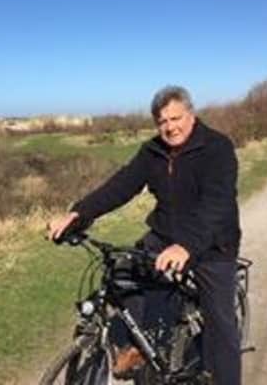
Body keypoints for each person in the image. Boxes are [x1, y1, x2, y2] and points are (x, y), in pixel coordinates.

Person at [48, 86, 241, 385]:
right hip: (165, 235)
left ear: (191, 115)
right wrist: (78, 214)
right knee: (123, 272)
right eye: (162, 121)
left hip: (213, 243)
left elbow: (217, 204)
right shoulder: (153, 151)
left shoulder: (217, 148)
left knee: (221, 326)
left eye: (176, 118)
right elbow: (121, 185)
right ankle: (137, 346)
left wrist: (186, 246)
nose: (170, 127)